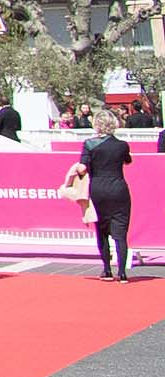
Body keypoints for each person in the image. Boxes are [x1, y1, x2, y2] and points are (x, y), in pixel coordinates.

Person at [60, 109, 136, 280]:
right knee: (120, 233)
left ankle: (107, 270)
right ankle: (122, 273)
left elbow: (82, 168)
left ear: (97, 125)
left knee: (101, 230)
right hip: (119, 189)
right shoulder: (122, 145)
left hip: (98, 189)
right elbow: (128, 160)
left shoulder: (89, 144)